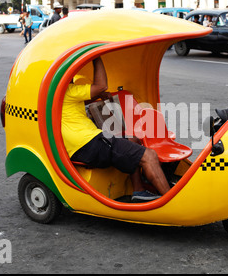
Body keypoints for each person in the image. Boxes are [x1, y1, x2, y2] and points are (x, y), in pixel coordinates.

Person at [62, 57, 171, 201]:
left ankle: (138, 190)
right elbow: (101, 86)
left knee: (133, 140)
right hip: (90, 143)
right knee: (149, 155)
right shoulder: (69, 91)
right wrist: (96, 57)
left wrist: (99, 96)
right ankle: (172, 201)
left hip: (81, 146)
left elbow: (87, 98)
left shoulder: (59, 94)